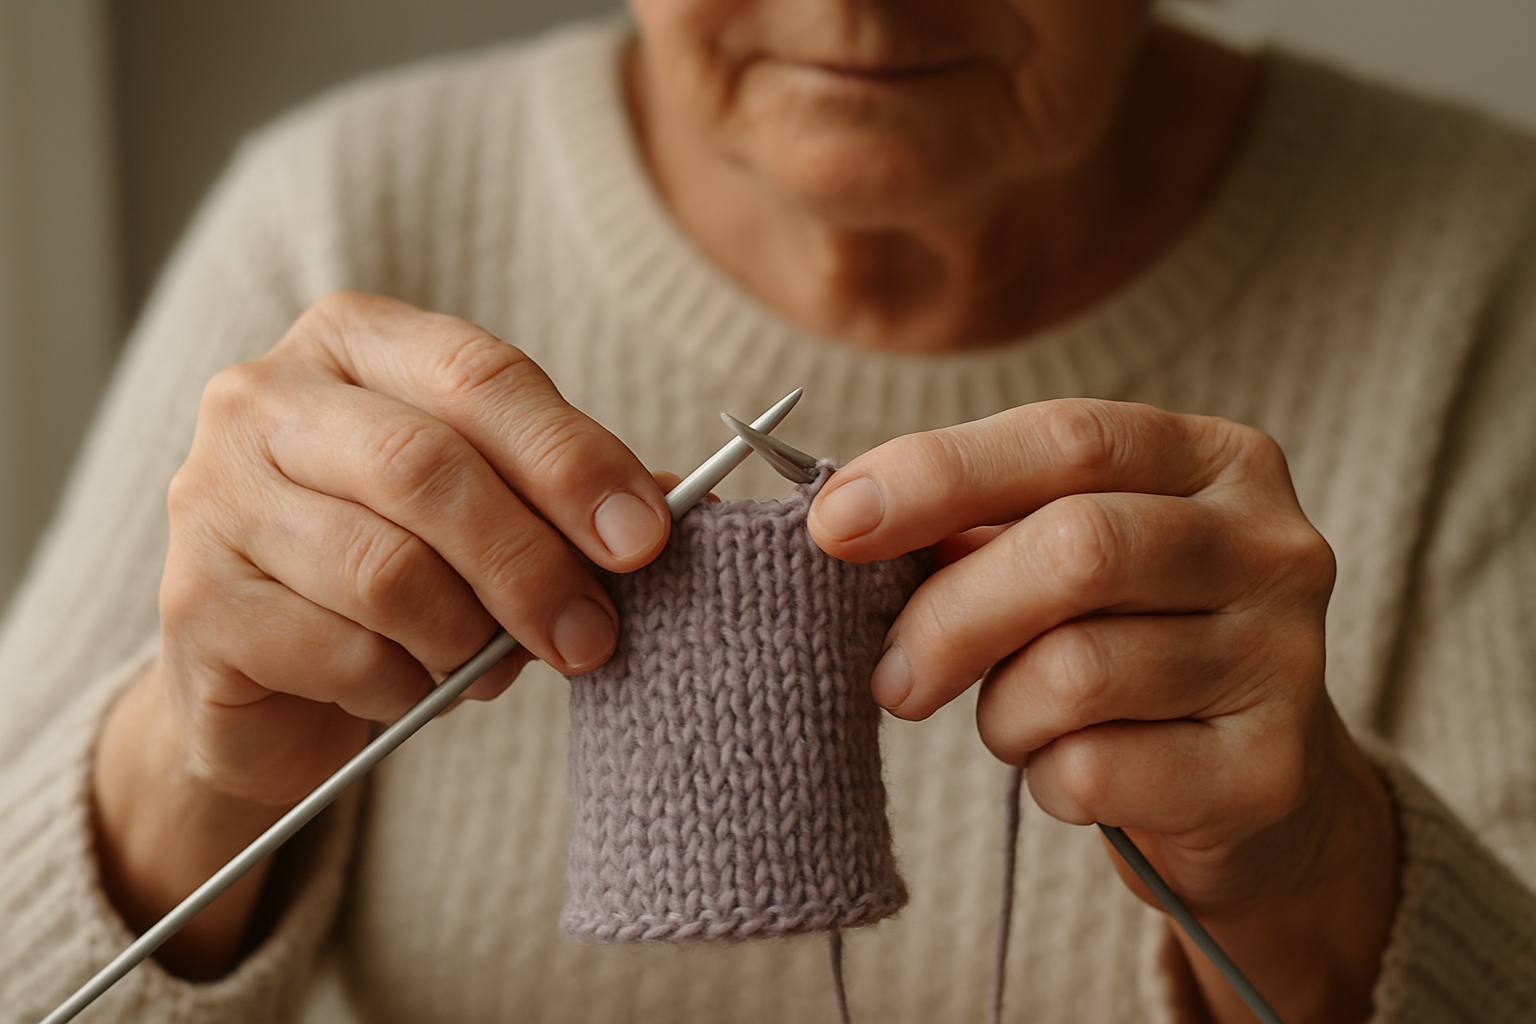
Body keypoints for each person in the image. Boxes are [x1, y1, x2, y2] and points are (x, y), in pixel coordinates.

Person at [2, 1, 1535, 1021]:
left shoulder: (1486, 273)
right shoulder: (334, 217)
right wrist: (185, 780)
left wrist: (1323, 873)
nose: (857, 6)